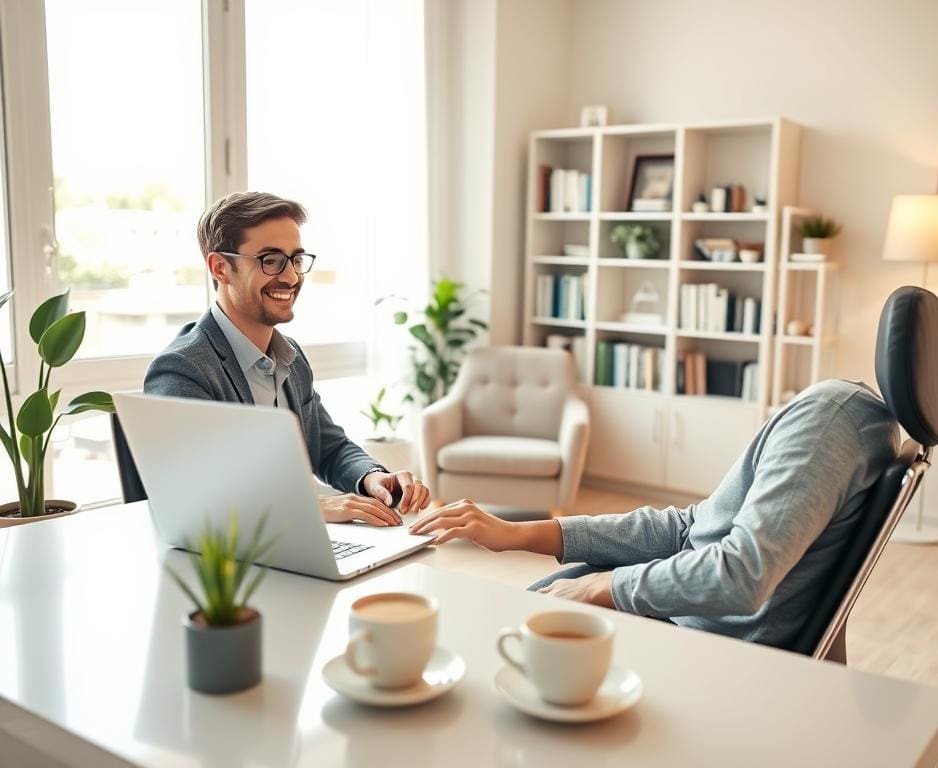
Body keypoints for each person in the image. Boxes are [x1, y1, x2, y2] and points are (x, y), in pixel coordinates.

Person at [410, 378, 899, 647]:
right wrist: (522, 532)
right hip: (686, 617)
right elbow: (692, 529)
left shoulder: (830, 418)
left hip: (701, 643)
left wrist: (604, 585)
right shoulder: (847, 417)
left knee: (490, 637)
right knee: (500, 621)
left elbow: (742, 574)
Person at [145, 191, 430, 527]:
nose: (292, 277)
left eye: (295, 259)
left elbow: (328, 447)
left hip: (299, 538)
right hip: (232, 559)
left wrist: (371, 478)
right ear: (220, 267)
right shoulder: (183, 369)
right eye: (270, 259)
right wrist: (309, 509)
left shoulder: (290, 358)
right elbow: (196, 493)